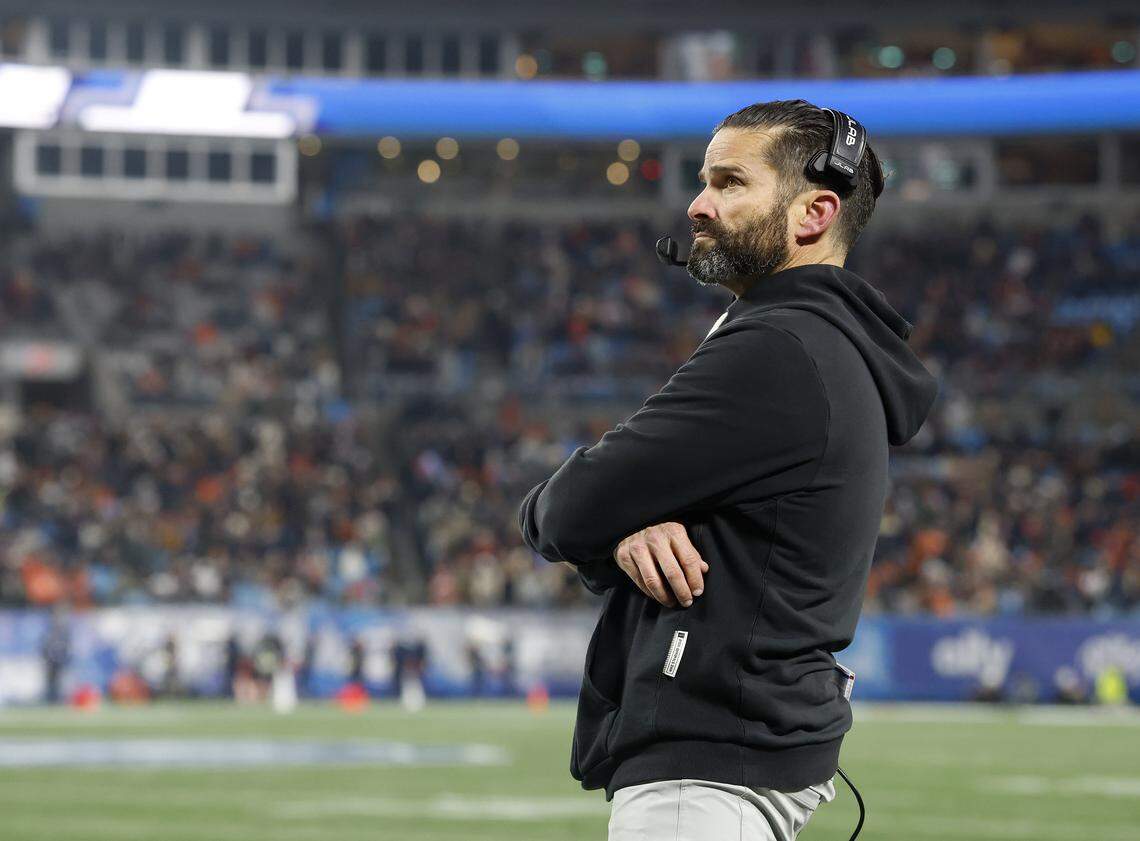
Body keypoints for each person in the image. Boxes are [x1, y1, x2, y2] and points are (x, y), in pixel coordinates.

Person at [518, 99, 939, 840]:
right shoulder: (823, 341)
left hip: (707, 773)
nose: (697, 205)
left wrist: (608, 524)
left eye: (729, 183)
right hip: (746, 756)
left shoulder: (777, 350)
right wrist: (625, 535)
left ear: (814, 213)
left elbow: (561, 509)